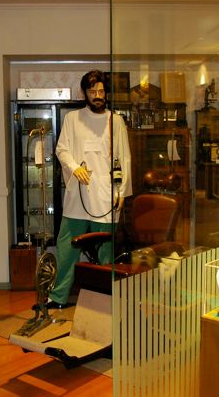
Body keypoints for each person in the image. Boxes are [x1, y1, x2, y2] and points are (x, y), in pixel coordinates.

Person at [46, 70, 132, 309]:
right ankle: (58, 297)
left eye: (101, 91)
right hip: (78, 195)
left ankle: (107, 302)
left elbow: (124, 158)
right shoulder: (72, 119)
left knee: (105, 253)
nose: (97, 96)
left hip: (105, 196)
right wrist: (74, 168)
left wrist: (121, 191)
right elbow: (62, 150)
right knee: (66, 247)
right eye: (93, 91)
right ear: (84, 93)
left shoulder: (116, 121)